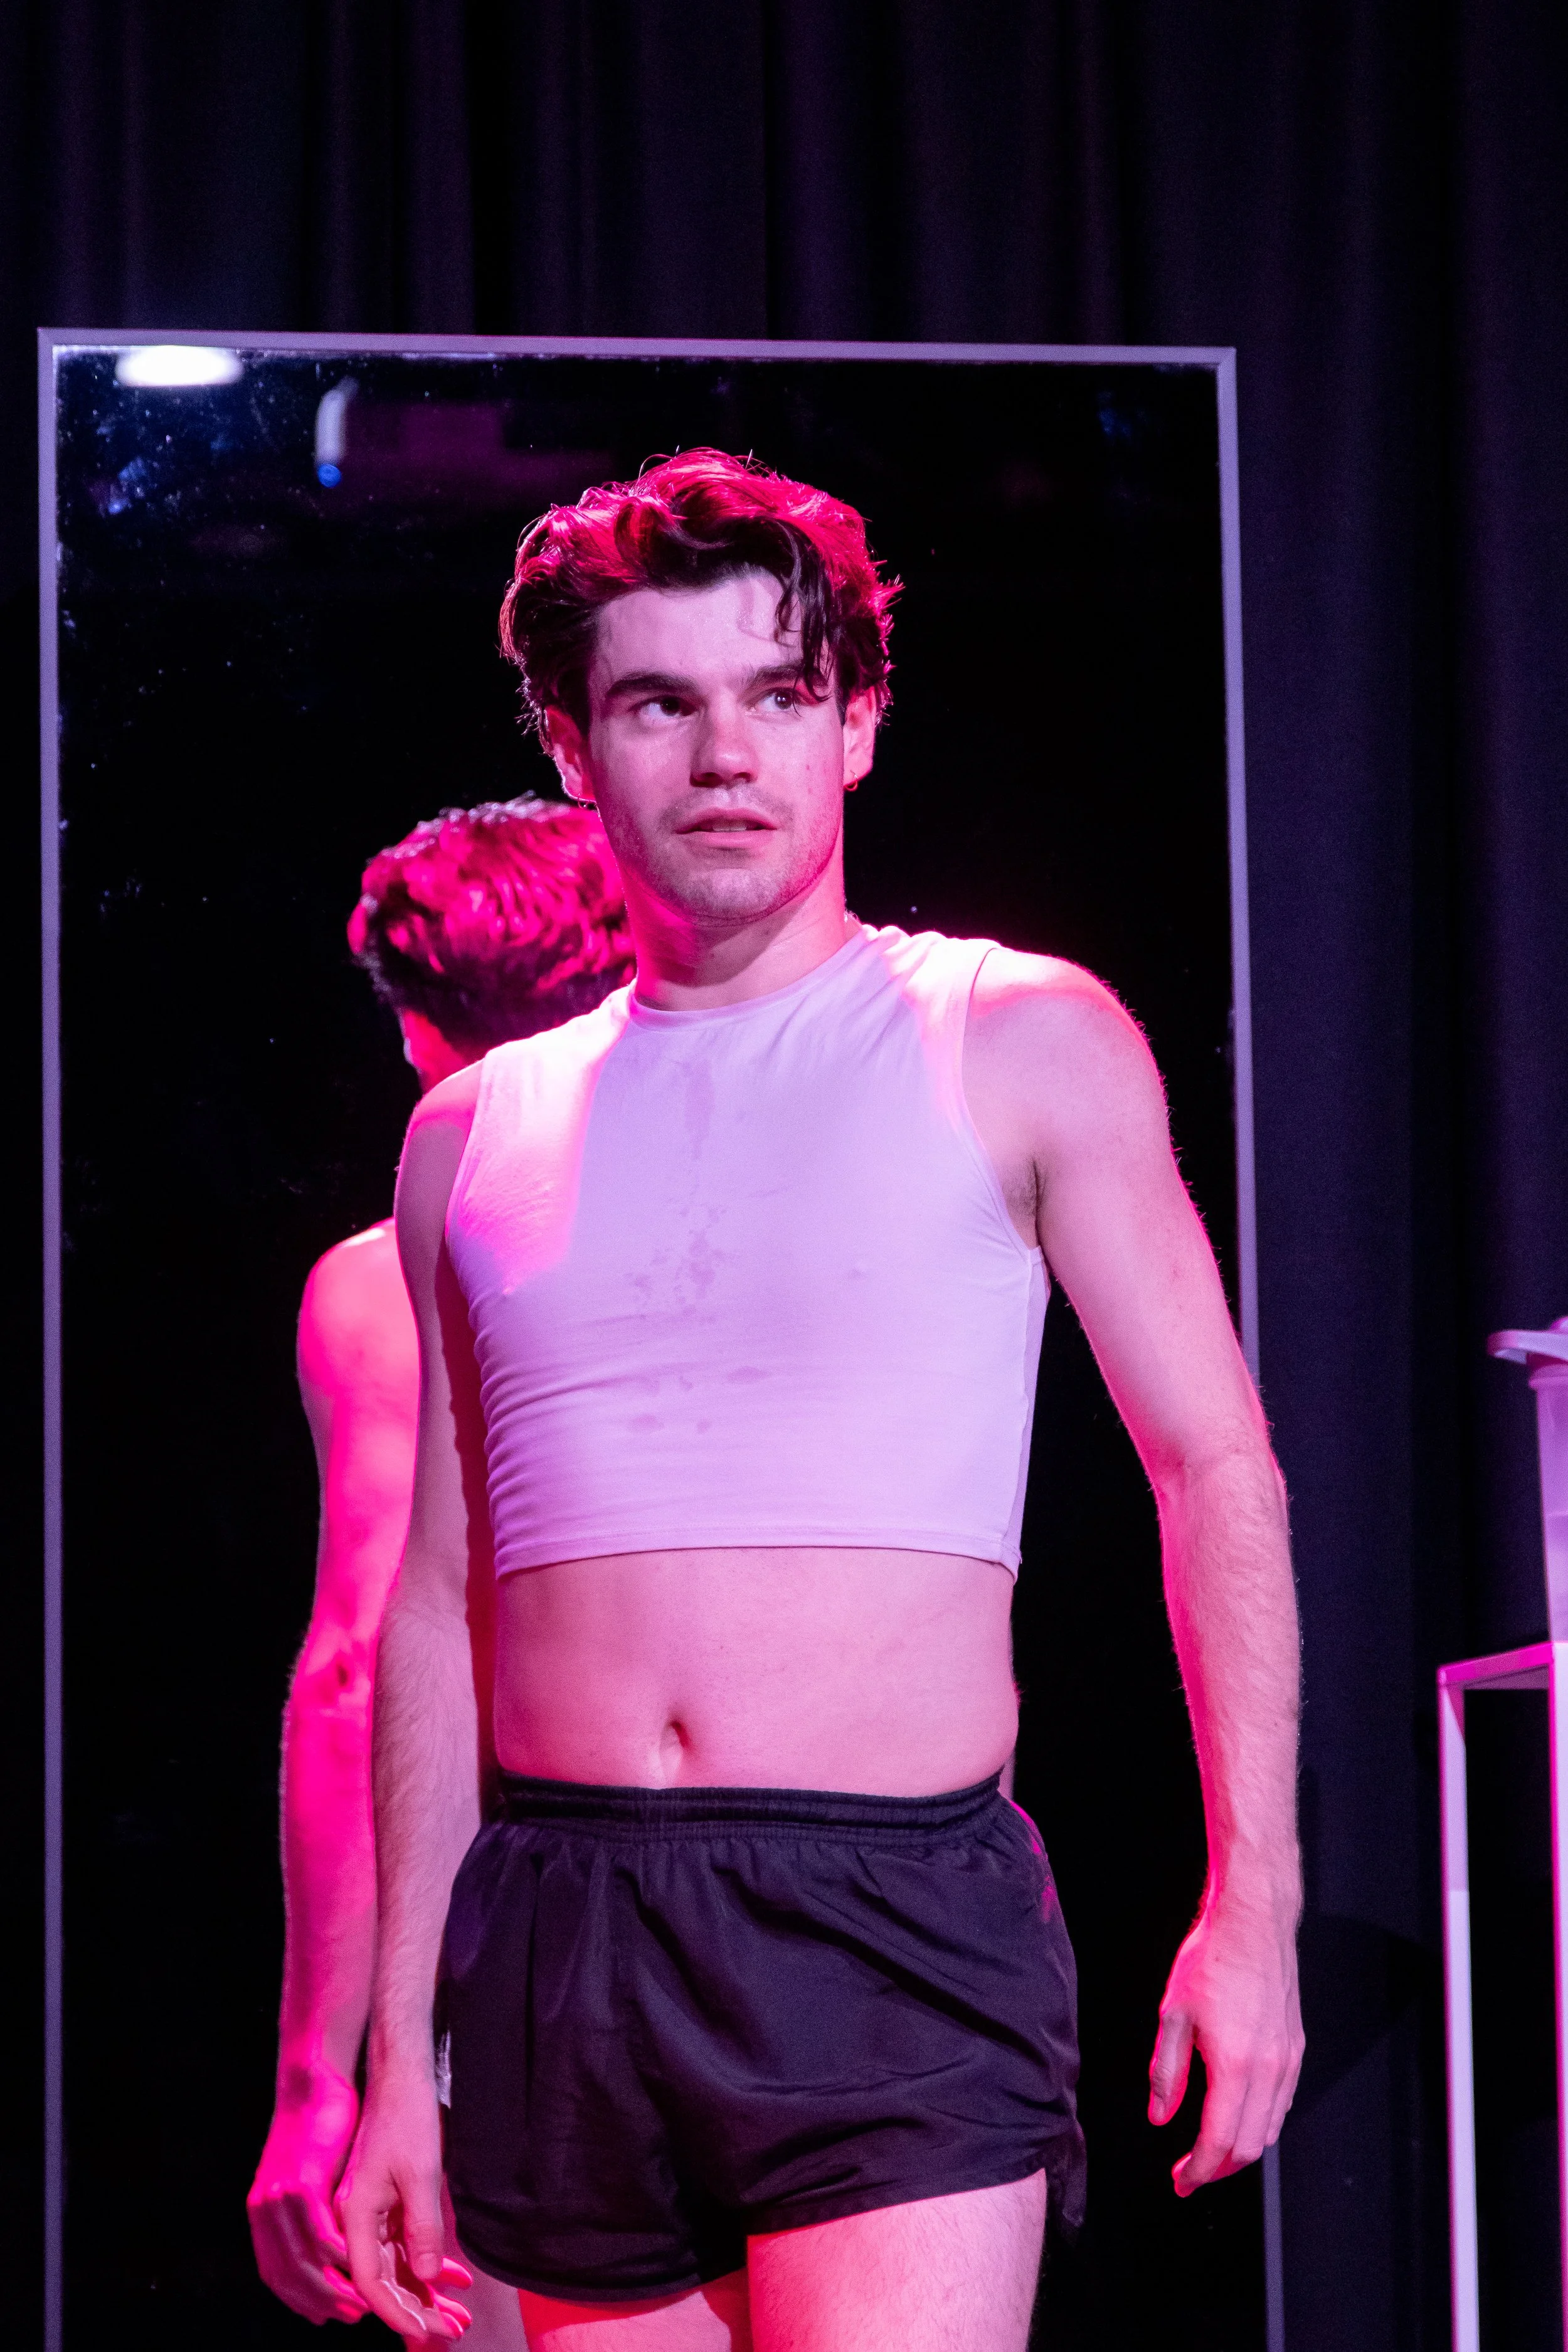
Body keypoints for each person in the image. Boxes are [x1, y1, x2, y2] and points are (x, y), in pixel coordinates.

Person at [341, 450, 1305, 2352]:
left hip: (886, 1919)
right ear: (568, 742)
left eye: (779, 694)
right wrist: (395, 2045)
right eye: (658, 700)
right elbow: (436, 1608)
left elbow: (1213, 1465)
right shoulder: (470, 1134)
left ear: (856, 726)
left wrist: (1252, 1897)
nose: (724, 754)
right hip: (564, 1932)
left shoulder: (1011, 1035)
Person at [248, 798, 635, 2346]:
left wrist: (315, 2080)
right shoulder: (773, 1215)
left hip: (531, 1939)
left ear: (417, 1031)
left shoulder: (385, 1280)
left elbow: (358, 1662)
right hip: (826, 1908)